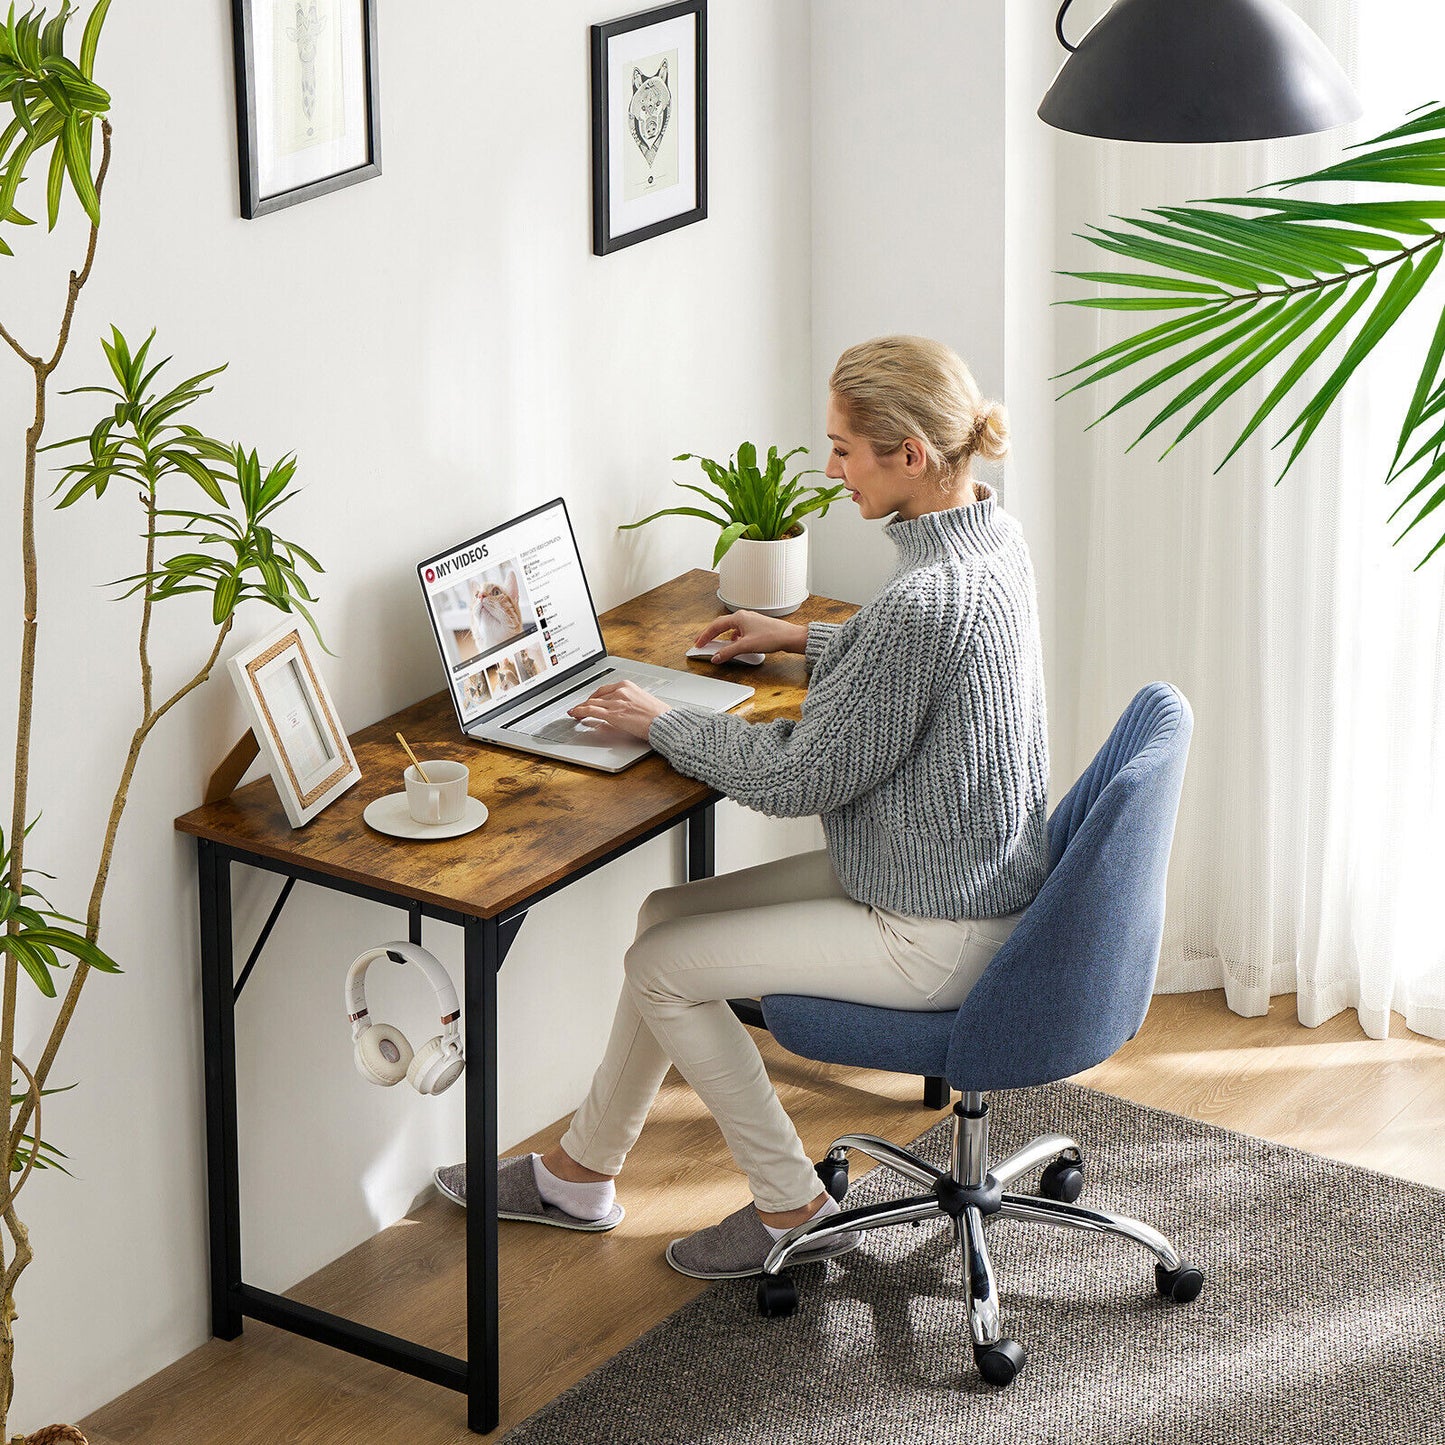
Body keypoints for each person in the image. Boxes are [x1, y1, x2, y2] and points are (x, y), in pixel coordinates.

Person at [435, 335, 1051, 1280]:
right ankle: (578, 1175)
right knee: (663, 920)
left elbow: (797, 776)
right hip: (957, 876)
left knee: (661, 965)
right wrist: (802, 637)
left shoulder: (925, 601)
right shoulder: (987, 539)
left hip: (935, 925)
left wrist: (661, 717)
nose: (833, 467)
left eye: (845, 446)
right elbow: (910, 668)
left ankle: (790, 1208)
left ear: (910, 455)